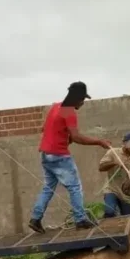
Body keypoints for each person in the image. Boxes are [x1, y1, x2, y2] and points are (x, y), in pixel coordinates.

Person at [28, 81, 111, 234]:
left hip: (46, 154)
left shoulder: (56, 107)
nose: (83, 103)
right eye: (83, 99)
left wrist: (65, 138)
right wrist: (99, 142)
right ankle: (80, 220)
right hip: (59, 155)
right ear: (77, 98)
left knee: (48, 188)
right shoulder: (69, 111)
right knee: (75, 187)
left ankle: (35, 218)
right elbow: (76, 137)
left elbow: (46, 128)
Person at [98, 132, 130, 218]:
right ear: (124, 143)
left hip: (126, 192)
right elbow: (101, 167)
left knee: (128, 217)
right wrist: (114, 163)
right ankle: (107, 224)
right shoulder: (113, 152)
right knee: (110, 212)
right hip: (111, 189)